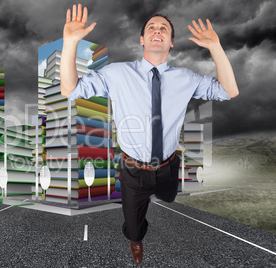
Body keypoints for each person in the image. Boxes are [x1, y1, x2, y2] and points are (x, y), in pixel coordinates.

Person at [60, 4, 238, 265]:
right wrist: (70, 42)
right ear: (142, 39)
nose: (158, 30)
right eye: (151, 28)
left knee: (167, 196)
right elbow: (70, 89)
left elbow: (229, 91)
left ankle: (163, 194)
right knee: (133, 225)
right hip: (133, 170)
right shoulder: (117, 73)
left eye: (163, 28)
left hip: (167, 166)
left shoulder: (186, 78)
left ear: (171, 42)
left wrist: (215, 47)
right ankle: (136, 241)